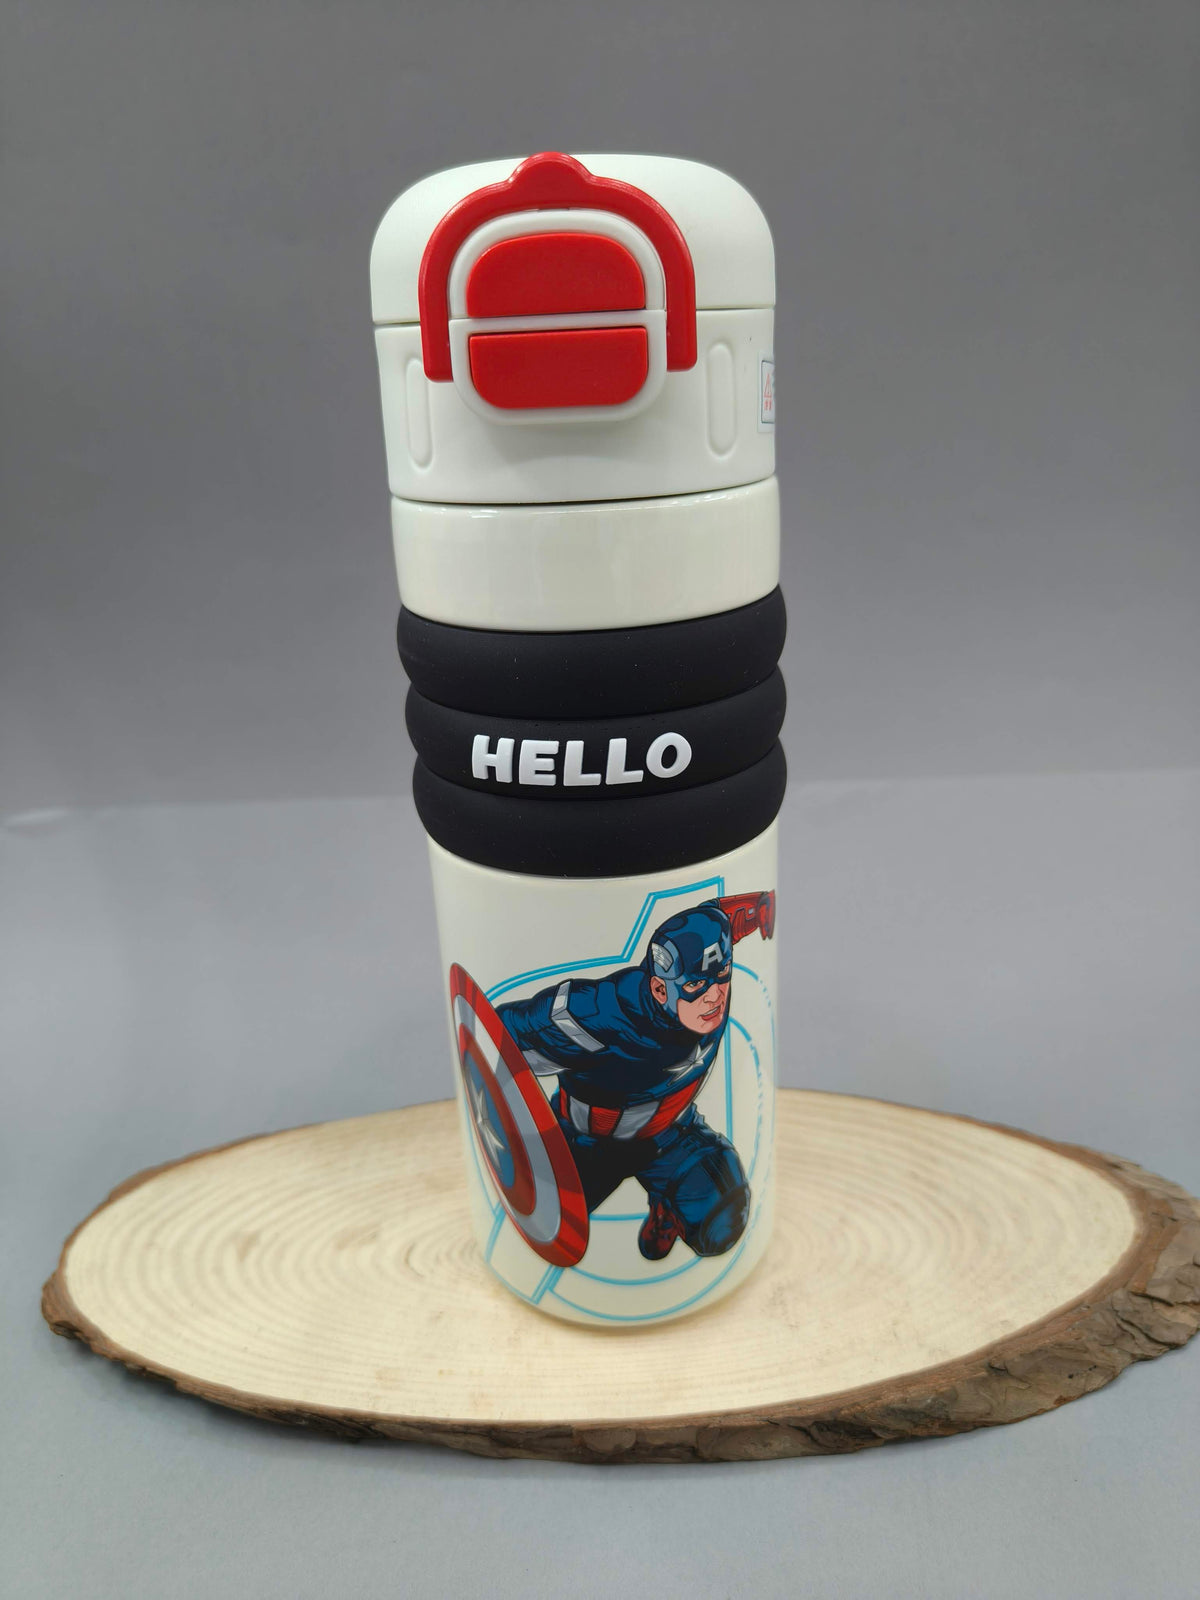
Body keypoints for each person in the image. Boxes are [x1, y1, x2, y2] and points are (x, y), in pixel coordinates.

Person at [497, 892, 774, 1260]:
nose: (714, 997)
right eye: (695, 985)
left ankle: (667, 1210)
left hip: (669, 1131)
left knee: (721, 1208)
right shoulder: (603, 1012)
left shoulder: (711, 977)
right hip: (587, 1142)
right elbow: (500, 1034)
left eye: (721, 975)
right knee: (541, 1222)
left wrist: (760, 908)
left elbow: (718, 918)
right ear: (659, 989)